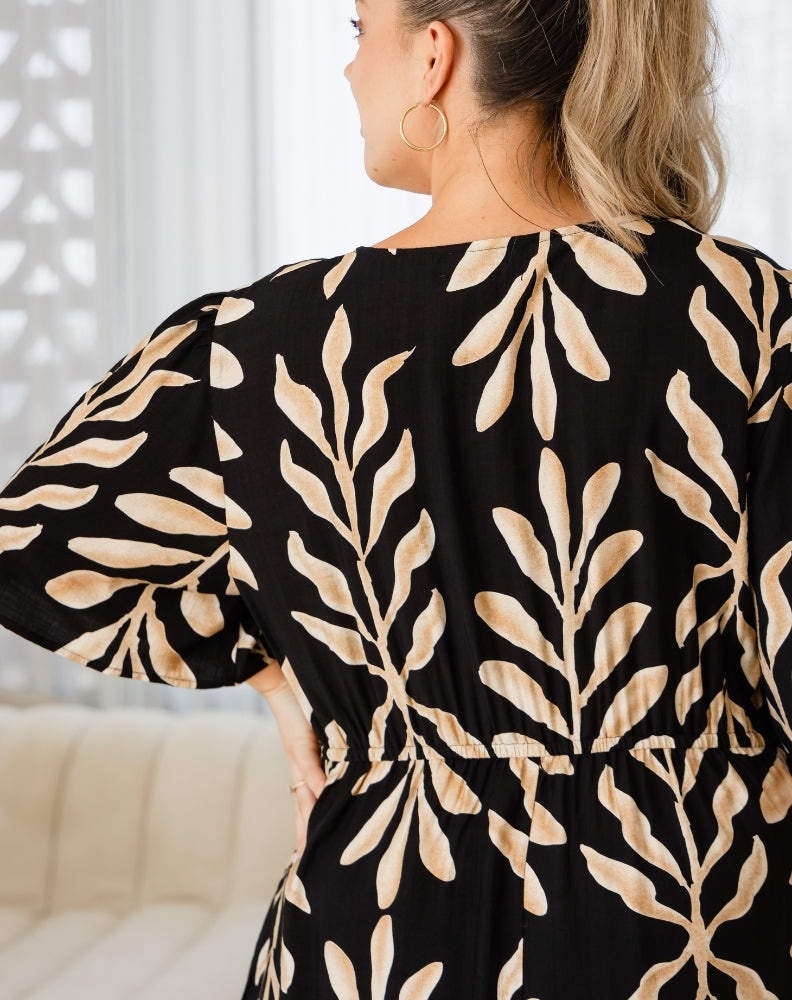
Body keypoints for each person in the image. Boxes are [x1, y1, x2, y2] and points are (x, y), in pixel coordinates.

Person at [0, 0, 790, 996]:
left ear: (432, 57)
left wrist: (269, 672)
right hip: (691, 912)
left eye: (357, 30)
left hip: (384, 918)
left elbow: (36, 545)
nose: (347, 71)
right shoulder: (749, 319)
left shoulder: (265, 345)